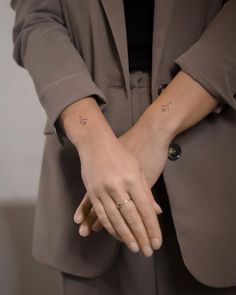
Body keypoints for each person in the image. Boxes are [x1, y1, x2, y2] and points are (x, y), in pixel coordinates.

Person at [11, 0, 236, 294]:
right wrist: (92, 138)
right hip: (86, 170)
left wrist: (155, 129)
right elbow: (37, 18)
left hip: (212, 160)